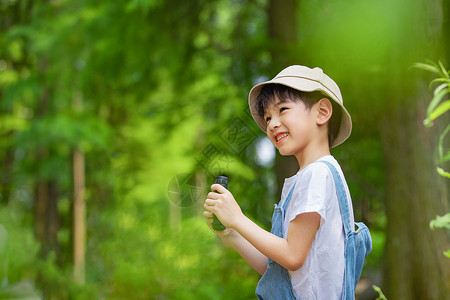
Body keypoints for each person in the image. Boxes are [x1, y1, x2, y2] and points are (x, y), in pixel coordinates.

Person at [203, 65, 355, 299]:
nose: (272, 124)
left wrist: (238, 219)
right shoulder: (309, 177)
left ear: (322, 112)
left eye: (283, 109)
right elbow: (280, 270)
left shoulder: (317, 174)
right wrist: (232, 233)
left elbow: (292, 256)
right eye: (267, 117)